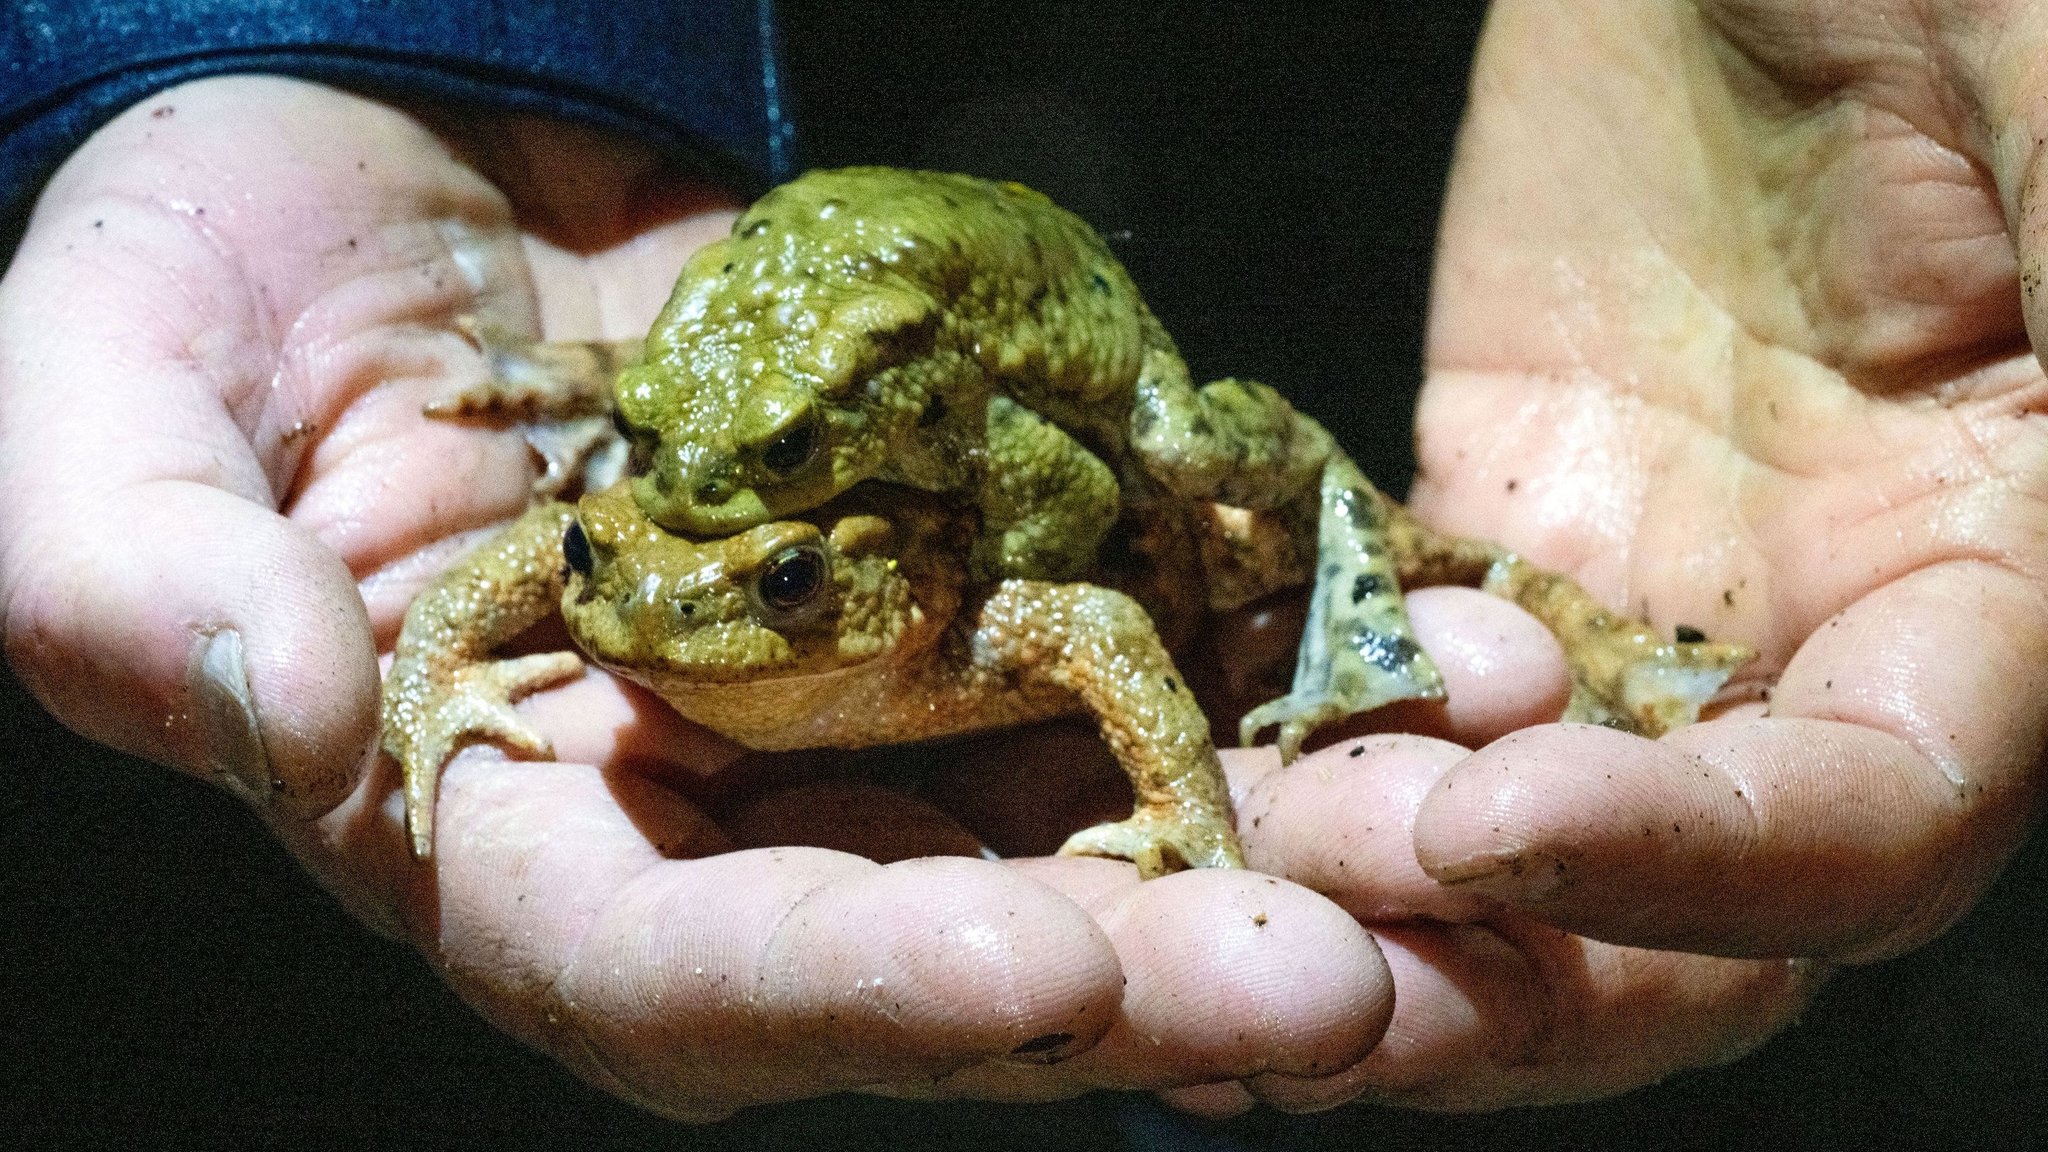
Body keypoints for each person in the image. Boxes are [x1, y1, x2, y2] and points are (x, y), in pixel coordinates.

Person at [0, 0, 2040, 1126]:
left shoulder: (964, 553)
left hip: (1292, 260)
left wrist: (1179, 810)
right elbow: (568, 542)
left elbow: (1065, 576)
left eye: (781, 556)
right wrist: (363, 33)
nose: (666, 584)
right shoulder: (682, 501)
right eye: (627, 537)